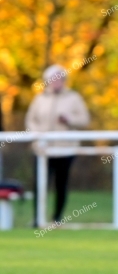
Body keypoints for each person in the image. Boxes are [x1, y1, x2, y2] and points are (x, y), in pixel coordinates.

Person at [25, 65, 90, 224]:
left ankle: (57, 218)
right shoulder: (40, 99)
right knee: (40, 184)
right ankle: (38, 218)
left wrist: (69, 120)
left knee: (61, 184)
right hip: (42, 149)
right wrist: (37, 135)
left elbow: (84, 120)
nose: (56, 82)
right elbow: (30, 120)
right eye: (53, 79)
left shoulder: (73, 97)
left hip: (65, 149)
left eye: (60, 79)